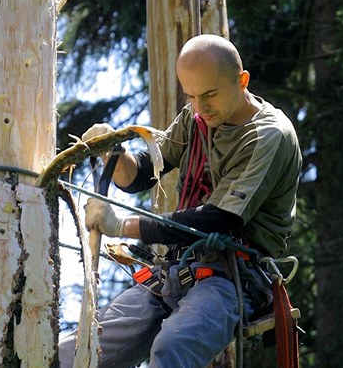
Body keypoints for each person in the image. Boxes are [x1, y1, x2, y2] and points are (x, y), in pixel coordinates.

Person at [59, 34, 303, 368]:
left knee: (171, 349)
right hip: (174, 272)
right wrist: (114, 151)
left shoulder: (268, 135)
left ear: (242, 80)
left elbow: (218, 220)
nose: (200, 107)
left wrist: (122, 227)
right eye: (191, 96)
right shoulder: (196, 117)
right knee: (74, 353)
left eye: (210, 94)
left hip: (232, 279)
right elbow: (144, 173)